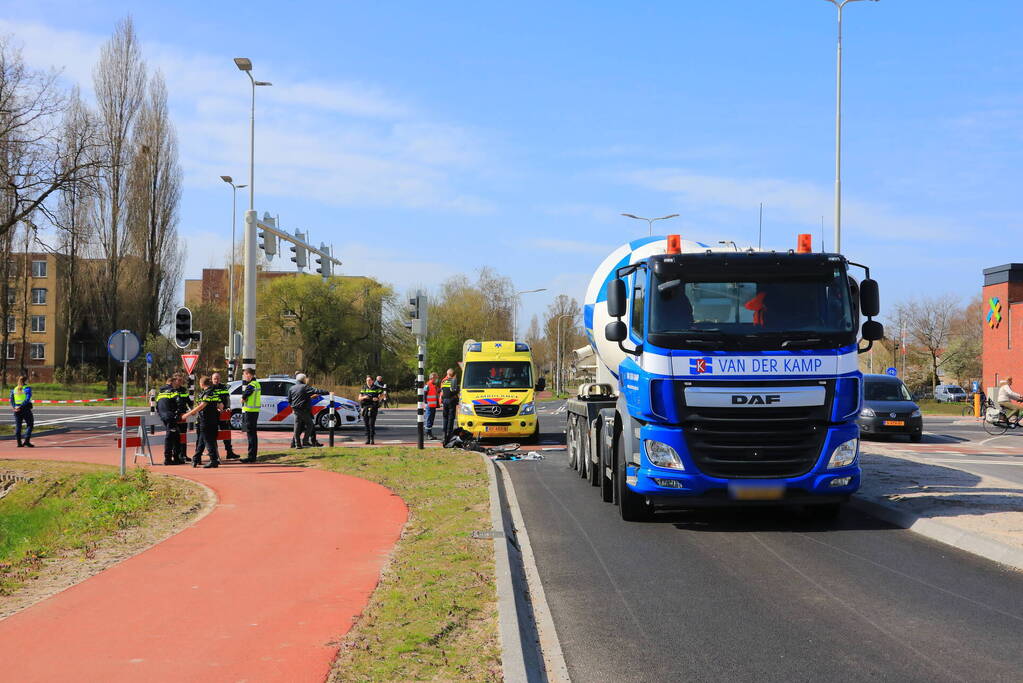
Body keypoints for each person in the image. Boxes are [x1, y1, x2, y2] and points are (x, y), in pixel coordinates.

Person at [181, 376, 223, 468]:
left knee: (208, 440)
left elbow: (201, 406)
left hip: (205, 420)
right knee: (201, 440)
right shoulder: (214, 393)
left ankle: (213, 460)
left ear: (202, 384)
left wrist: (187, 414)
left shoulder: (206, 393)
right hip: (214, 419)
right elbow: (221, 406)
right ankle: (195, 459)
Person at [288, 373, 328, 448]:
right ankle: (305, 441)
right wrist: (327, 392)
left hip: (295, 410)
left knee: (297, 427)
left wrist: (293, 406)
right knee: (310, 425)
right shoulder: (305, 387)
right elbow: (316, 390)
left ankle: (297, 444)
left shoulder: (292, 388)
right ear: (304, 379)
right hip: (304, 410)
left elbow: (290, 400)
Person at [210, 372, 240, 460]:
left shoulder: (223, 387)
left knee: (226, 433)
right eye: (215, 378)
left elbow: (227, 398)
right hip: (213, 414)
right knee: (213, 434)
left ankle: (229, 452)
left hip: (224, 414)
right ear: (212, 379)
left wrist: (228, 407)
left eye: (218, 378)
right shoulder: (210, 388)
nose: (216, 380)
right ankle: (215, 454)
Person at [156, 375, 184, 465]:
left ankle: (176, 457)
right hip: (171, 417)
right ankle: (168, 459)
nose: (176, 384)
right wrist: (178, 414)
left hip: (164, 417)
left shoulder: (160, 393)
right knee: (170, 437)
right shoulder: (173, 391)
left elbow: (157, 406)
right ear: (172, 382)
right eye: (175, 383)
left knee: (176, 436)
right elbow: (180, 403)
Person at [239, 368, 260, 463]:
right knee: (253, 434)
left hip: (250, 412)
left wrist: (243, 399)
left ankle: (251, 457)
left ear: (249, 375)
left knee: (251, 435)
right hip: (254, 411)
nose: (244, 377)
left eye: (245, 375)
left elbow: (244, 398)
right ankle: (252, 455)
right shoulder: (257, 383)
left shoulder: (251, 385)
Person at [10, 375, 34, 448]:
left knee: (18, 425)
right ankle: (26, 441)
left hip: (17, 409)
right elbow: (27, 398)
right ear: (25, 381)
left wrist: (15, 407)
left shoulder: (15, 389)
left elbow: (11, 400)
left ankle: (19, 443)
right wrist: (22, 406)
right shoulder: (27, 388)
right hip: (25, 408)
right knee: (30, 424)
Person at [358, 375, 383, 444]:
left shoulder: (377, 388)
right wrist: (364, 397)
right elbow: (359, 398)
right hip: (365, 407)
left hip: (373, 407)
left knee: (371, 424)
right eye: (367, 380)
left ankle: (372, 439)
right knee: (366, 424)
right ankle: (367, 439)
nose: (368, 381)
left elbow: (382, 395)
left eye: (369, 380)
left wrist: (378, 398)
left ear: (372, 381)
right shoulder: (364, 387)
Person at [174, 372, 193, 463]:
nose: (181, 382)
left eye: (182, 380)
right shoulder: (171, 390)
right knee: (175, 436)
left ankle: (184, 455)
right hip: (174, 416)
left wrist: (192, 409)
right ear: (175, 380)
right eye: (179, 380)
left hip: (183, 415)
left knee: (183, 435)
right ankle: (176, 455)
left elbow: (188, 401)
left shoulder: (183, 390)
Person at [440, 368, 460, 442]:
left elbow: (442, 390)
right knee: (451, 418)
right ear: (454, 374)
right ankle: (449, 435)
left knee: (445, 418)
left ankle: (444, 435)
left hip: (445, 400)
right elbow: (455, 391)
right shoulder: (454, 381)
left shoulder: (444, 381)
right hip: (451, 400)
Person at [424, 372, 441, 440]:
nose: (437, 379)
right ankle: (428, 433)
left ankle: (429, 433)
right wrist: (426, 403)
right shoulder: (428, 385)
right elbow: (424, 395)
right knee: (429, 420)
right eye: (436, 378)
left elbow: (438, 392)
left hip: (433, 406)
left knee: (431, 420)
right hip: (429, 406)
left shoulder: (434, 385)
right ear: (432, 378)